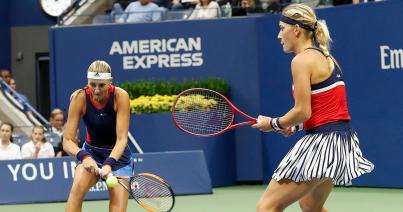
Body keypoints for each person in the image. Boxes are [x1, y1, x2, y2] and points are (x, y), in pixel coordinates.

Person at [251, 4, 374, 212]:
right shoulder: (327, 58)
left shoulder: (301, 61)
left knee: (267, 207)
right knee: (310, 207)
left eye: (282, 28)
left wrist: (272, 123)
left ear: (296, 29)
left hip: (322, 145)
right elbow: (326, 110)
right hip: (341, 143)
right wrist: (297, 127)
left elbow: (302, 111)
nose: (279, 35)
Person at [63, 60, 132, 212]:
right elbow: (67, 141)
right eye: (92, 84)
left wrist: (108, 163)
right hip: (92, 152)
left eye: (101, 85)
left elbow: (122, 139)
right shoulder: (79, 98)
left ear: (110, 82)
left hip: (118, 157)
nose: (96, 90)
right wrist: (85, 157)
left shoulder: (120, 96)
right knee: (76, 191)